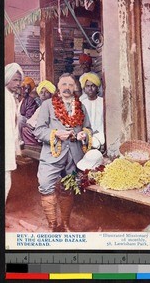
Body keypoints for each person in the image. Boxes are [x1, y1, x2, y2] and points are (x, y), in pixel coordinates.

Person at [34, 73, 92, 232]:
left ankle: (65, 224)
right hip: (52, 155)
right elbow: (39, 131)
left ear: (75, 87)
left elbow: (88, 129)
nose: (67, 88)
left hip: (73, 156)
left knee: (68, 189)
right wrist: (55, 133)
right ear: (58, 87)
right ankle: (52, 226)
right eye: (64, 84)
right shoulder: (47, 105)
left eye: (70, 85)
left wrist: (84, 135)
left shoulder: (80, 106)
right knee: (46, 186)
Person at [5, 63, 24, 202]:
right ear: (7, 79)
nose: (18, 83)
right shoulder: (7, 98)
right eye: (15, 80)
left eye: (19, 80)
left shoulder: (11, 97)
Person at [22, 80, 56, 146]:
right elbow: (32, 119)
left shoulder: (53, 105)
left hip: (48, 129)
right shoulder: (40, 107)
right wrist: (31, 125)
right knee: (25, 129)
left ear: (50, 94)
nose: (43, 94)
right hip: (38, 127)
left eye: (46, 92)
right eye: (41, 92)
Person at [79, 72, 105, 151]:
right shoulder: (81, 103)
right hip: (85, 135)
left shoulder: (103, 102)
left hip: (101, 135)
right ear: (84, 89)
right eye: (87, 86)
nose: (90, 88)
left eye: (93, 86)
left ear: (97, 88)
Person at [18, 76, 38, 144]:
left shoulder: (30, 100)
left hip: (26, 121)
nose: (26, 91)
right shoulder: (13, 97)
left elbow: (28, 117)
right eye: (25, 88)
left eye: (28, 89)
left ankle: (19, 140)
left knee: (20, 119)